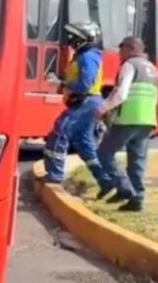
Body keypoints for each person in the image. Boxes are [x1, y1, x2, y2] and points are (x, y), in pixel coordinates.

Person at [94, 36, 158, 212]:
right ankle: (137, 200)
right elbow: (155, 98)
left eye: (121, 49)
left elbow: (121, 93)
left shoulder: (129, 65)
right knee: (137, 161)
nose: (119, 53)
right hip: (147, 120)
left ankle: (124, 189)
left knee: (104, 153)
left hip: (128, 118)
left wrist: (102, 108)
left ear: (131, 48)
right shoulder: (153, 69)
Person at [43, 21, 109, 185]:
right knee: (84, 143)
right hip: (86, 102)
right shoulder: (84, 56)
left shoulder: (88, 57)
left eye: (73, 37)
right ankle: (106, 181)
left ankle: (55, 174)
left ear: (83, 39)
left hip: (85, 102)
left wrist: (61, 83)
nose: (70, 40)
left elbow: (85, 84)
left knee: (60, 132)